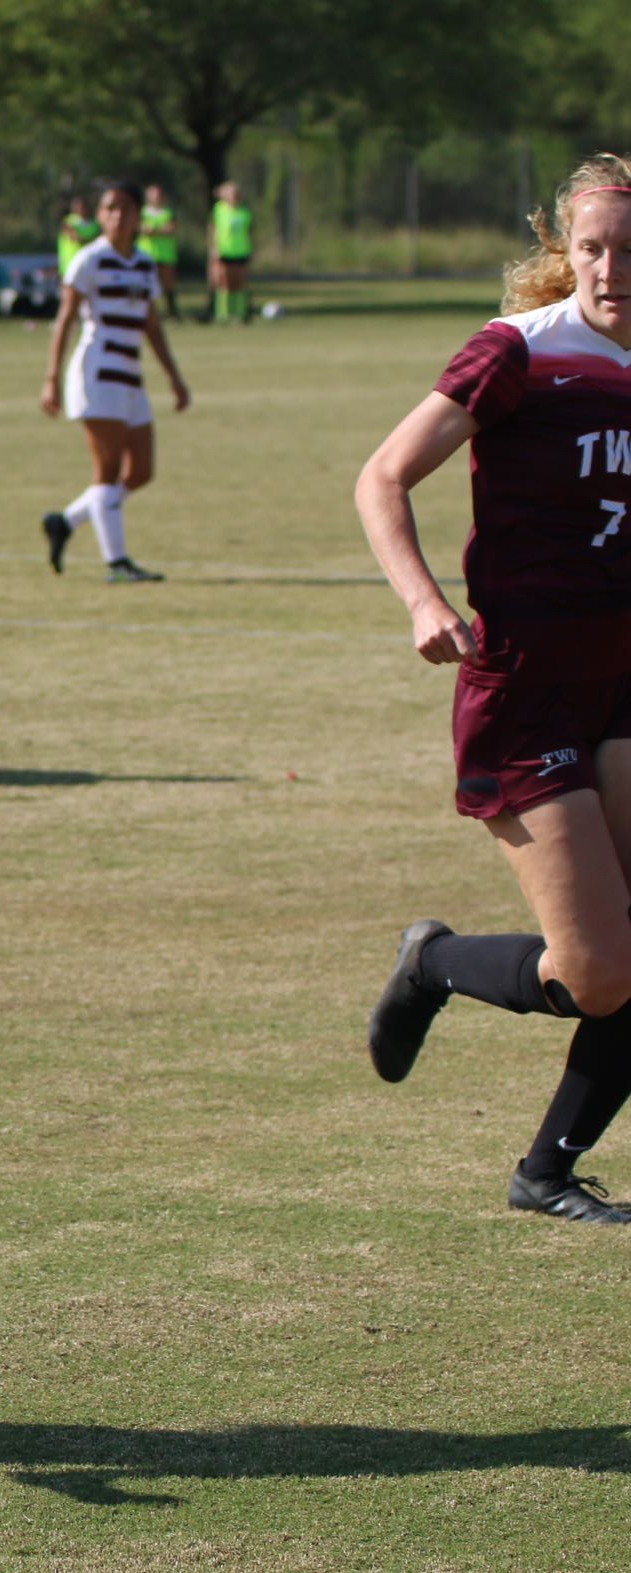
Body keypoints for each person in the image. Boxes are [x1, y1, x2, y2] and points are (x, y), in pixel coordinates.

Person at [358, 155, 631, 1225]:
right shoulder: (521, 351)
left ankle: (547, 1173)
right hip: (526, 696)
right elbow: (382, 476)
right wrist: (425, 602)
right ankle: (433, 963)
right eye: (594, 248)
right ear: (569, 250)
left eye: (630, 249)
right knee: (602, 973)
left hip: (624, 687)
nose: (612, 268)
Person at [36, 181, 190, 583]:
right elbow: (65, 319)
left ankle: (66, 522)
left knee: (141, 471)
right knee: (105, 471)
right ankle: (117, 563)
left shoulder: (143, 262)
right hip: (97, 373)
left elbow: (152, 327)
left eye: (126, 208)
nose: (118, 216)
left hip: (131, 376)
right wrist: (50, 378)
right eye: (110, 208)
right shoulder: (89, 259)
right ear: (100, 215)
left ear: (139, 216)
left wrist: (175, 378)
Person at [210, 181, 253, 325]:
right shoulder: (219, 210)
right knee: (223, 282)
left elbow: (249, 232)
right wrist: (214, 248)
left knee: (239, 283)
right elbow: (214, 230)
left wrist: (251, 248)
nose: (234, 196)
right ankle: (222, 314)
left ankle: (239, 313)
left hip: (240, 250)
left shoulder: (244, 212)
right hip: (224, 251)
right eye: (231, 193)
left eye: (235, 193)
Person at [138, 183, 181, 320]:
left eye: (158, 195)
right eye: (153, 195)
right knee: (147, 286)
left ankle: (171, 312)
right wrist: (158, 230)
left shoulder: (168, 212)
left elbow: (170, 229)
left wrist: (153, 231)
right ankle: (149, 313)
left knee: (168, 285)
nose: (156, 198)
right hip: (146, 254)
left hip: (165, 254)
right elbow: (140, 228)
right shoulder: (142, 212)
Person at [55, 194, 99, 279]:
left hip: (89, 268)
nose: (80, 208)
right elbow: (76, 238)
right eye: (77, 206)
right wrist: (92, 242)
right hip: (69, 268)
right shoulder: (68, 222)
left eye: (82, 206)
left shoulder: (94, 225)